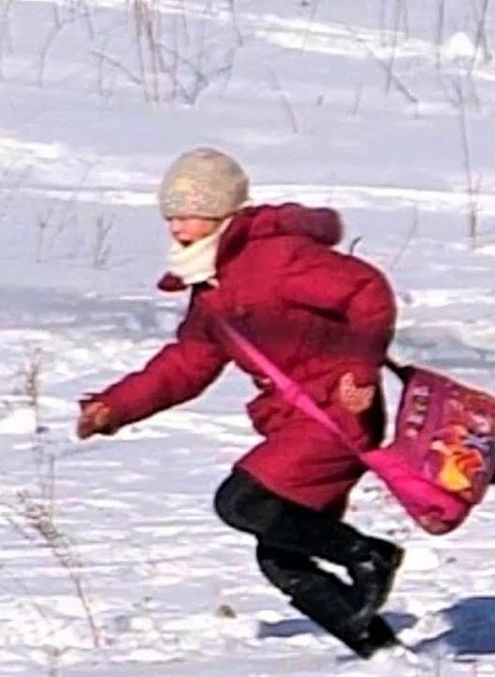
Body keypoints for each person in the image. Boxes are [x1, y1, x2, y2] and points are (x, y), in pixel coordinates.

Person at [75, 147, 405, 659]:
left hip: (335, 412)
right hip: (296, 418)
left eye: (190, 212)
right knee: (282, 559)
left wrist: (358, 371)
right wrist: (114, 407)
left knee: (243, 502)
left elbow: (367, 291)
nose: (178, 225)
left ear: (222, 211)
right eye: (172, 214)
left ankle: (371, 556)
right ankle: (384, 654)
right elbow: (189, 362)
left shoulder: (274, 258)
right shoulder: (210, 282)